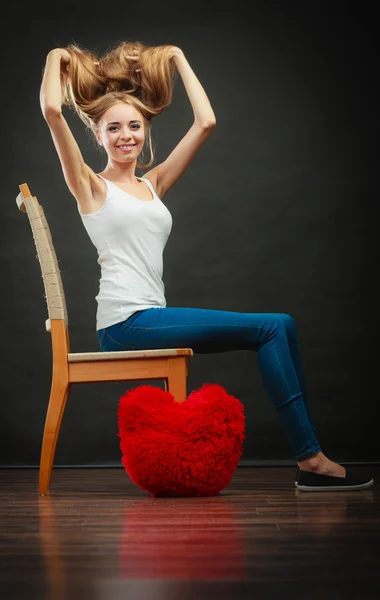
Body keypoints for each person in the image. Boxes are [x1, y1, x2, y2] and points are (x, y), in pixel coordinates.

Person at [40, 40, 373, 491]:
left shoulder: (152, 183)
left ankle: (309, 454)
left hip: (151, 315)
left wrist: (175, 58)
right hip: (125, 322)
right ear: (97, 136)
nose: (126, 136)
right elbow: (53, 112)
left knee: (285, 325)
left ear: (145, 131)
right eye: (113, 128)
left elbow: (206, 121)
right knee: (272, 327)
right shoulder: (90, 188)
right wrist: (57, 58)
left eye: (134, 126)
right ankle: (311, 460)